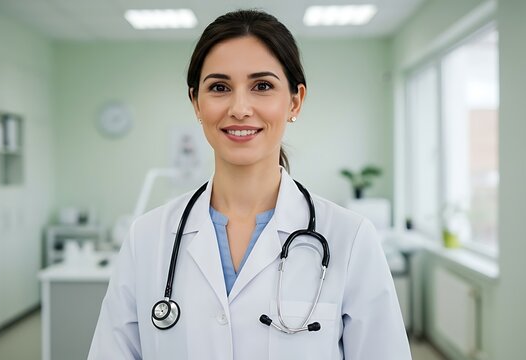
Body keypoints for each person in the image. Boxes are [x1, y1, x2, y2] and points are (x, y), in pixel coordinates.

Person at [88, 9, 411, 360]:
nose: (240, 108)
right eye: (220, 87)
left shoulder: (350, 239)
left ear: (294, 101)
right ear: (196, 102)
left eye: (262, 86)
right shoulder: (147, 238)